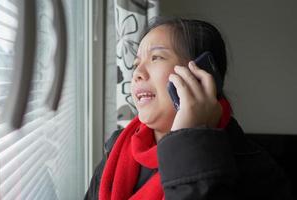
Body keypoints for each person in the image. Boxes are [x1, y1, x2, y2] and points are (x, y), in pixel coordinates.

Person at [84, 16, 292, 200]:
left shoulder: (254, 170)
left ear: (200, 74)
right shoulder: (117, 149)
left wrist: (189, 139)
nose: (137, 72)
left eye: (156, 57)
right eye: (137, 62)